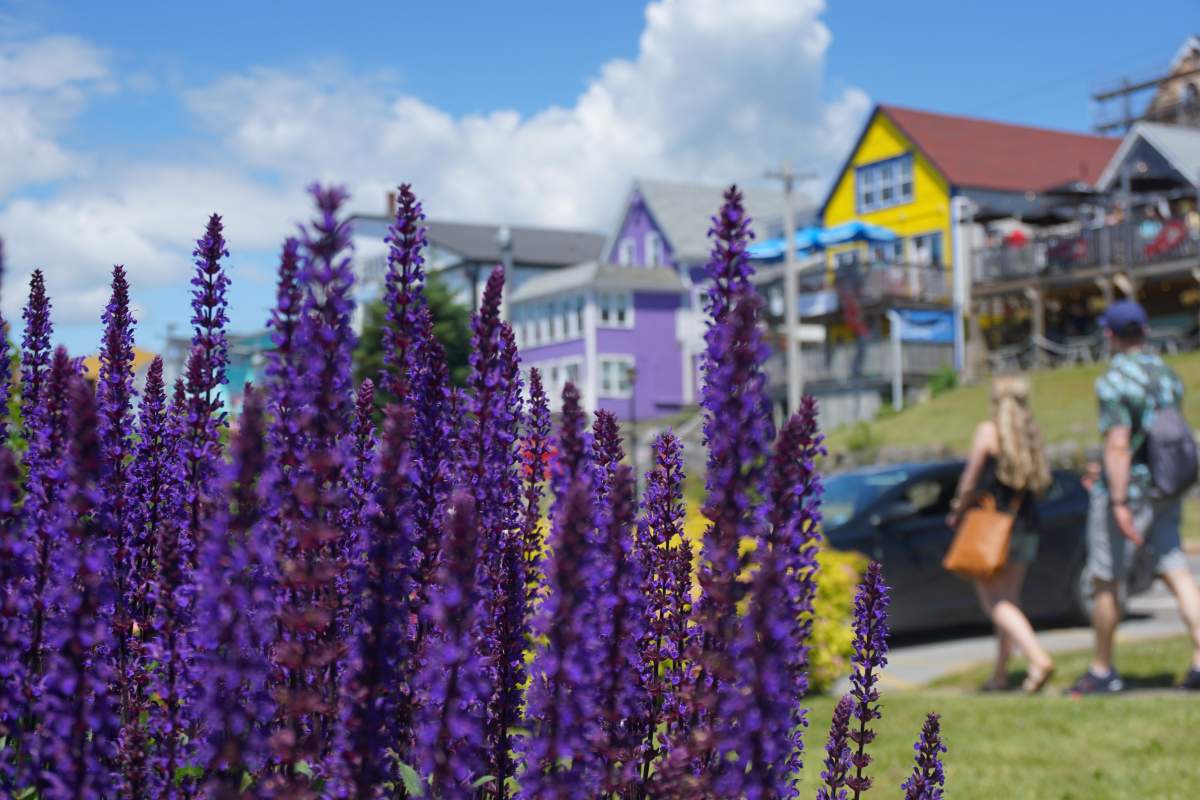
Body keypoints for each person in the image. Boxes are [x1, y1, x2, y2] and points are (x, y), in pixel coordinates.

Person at [1069, 299, 1200, 694]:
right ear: (1143, 331)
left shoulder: (1114, 380)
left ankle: (1102, 669)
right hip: (1167, 486)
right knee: (1176, 568)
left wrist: (1120, 502)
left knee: (1106, 579)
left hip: (1131, 493)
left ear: (1109, 335)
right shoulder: (1167, 375)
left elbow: (1119, 445)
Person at [947, 375, 1056, 693]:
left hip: (992, 529)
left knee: (996, 604)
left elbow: (969, 481)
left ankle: (1037, 658)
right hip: (1026, 524)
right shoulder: (1031, 434)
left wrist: (957, 508)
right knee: (1009, 602)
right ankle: (1000, 675)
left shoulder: (988, 432)